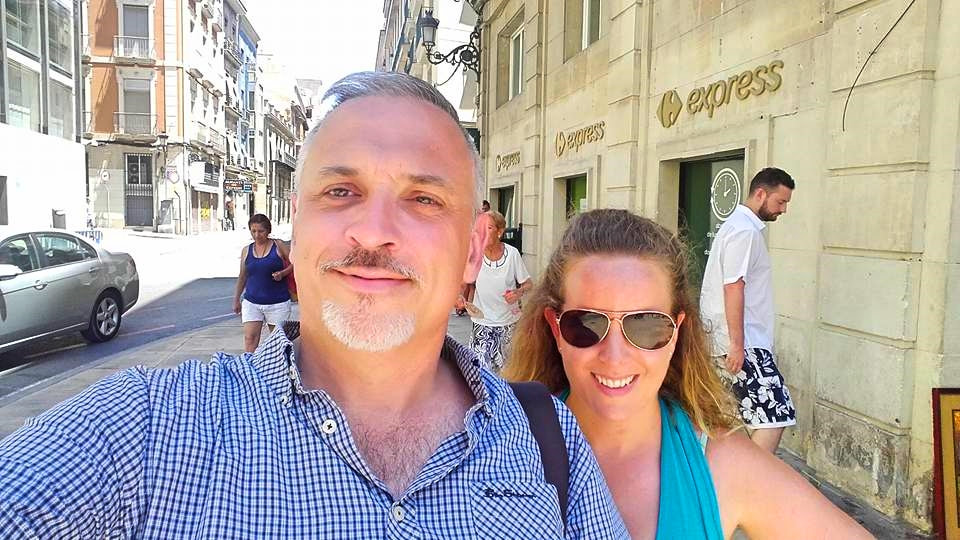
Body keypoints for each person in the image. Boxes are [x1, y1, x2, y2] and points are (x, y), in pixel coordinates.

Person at [0, 72, 626, 538]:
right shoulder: (142, 431)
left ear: (470, 249)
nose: (373, 231)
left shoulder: (550, 440)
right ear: (297, 230)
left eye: (423, 199)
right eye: (341, 191)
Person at [506, 209, 871, 539]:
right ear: (555, 328)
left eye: (647, 325)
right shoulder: (499, 450)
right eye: (586, 324)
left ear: (676, 333)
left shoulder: (722, 466)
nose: (615, 357)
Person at [699, 167, 796, 453]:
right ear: (761, 194)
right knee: (775, 416)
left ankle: (731, 475)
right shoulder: (744, 231)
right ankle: (755, 477)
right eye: (780, 201)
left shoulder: (735, 227)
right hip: (744, 343)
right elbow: (733, 286)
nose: (783, 209)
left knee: (733, 420)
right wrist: (737, 344)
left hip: (727, 339)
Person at [457, 210, 532, 372]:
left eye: (489, 228)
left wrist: (518, 293)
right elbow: (464, 283)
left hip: (508, 324)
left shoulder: (512, 254)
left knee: (508, 373)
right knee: (479, 373)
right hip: (482, 323)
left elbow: (528, 284)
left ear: (500, 232)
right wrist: (460, 298)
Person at [233, 213, 293, 353]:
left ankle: (278, 366)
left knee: (277, 342)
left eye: (261, 231)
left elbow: (295, 263)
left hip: (277, 303)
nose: (257, 235)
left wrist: (283, 273)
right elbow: (243, 276)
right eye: (253, 231)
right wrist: (236, 299)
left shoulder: (278, 245)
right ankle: (250, 365)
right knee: (250, 339)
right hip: (252, 302)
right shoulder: (246, 250)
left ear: (268, 231)